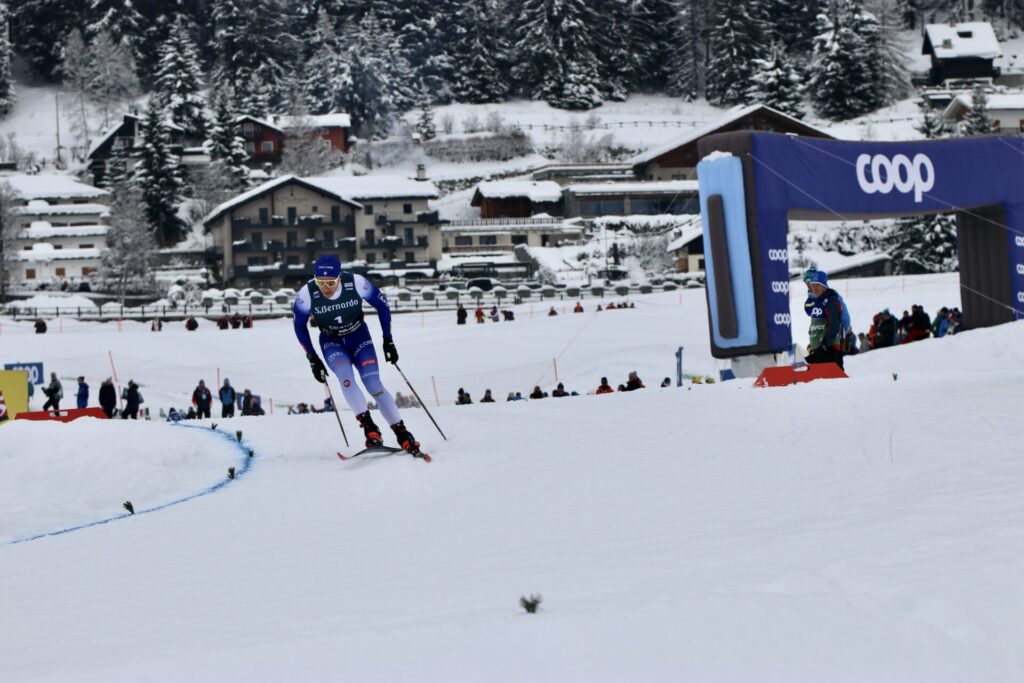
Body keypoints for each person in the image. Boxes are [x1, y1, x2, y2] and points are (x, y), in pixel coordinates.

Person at [294, 254, 422, 455]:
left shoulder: (356, 282)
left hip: (359, 337)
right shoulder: (307, 294)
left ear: (340, 277)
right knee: (345, 378)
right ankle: (370, 429)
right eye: (321, 282)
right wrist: (312, 357)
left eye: (331, 282)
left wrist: (388, 340)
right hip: (332, 342)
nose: (326, 287)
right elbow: (299, 326)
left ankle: (402, 432)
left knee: (373, 384)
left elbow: (382, 305)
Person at [803, 270, 845, 370]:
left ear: (824, 286)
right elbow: (816, 324)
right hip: (818, 348)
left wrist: (826, 344)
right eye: (812, 285)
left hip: (829, 349)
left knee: (831, 381)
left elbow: (834, 324)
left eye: (818, 285)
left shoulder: (830, 301)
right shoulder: (816, 302)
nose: (814, 288)